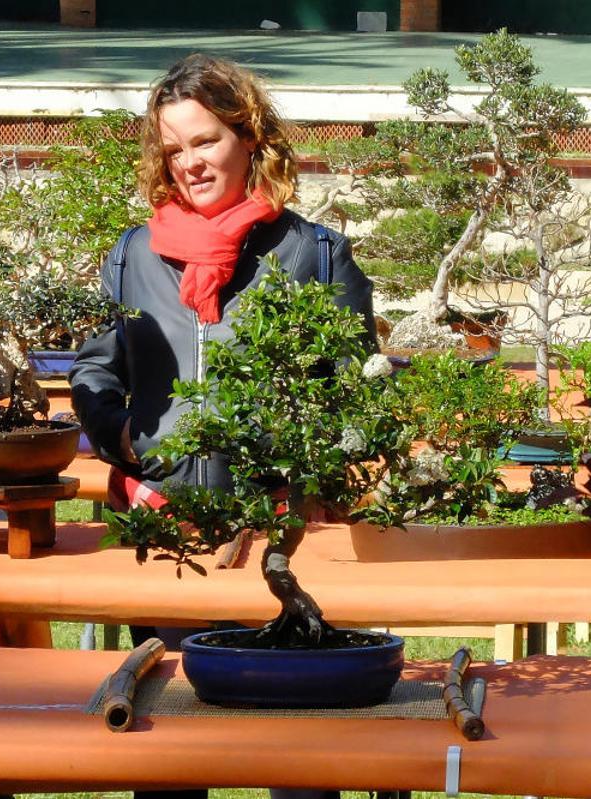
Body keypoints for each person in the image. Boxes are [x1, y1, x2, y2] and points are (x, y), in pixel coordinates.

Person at [70, 53, 377, 799]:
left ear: (249, 136)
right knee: (166, 749)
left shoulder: (316, 254)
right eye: (173, 148)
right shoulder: (134, 255)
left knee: (300, 759)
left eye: (205, 140)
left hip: (283, 542)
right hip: (169, 538)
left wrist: (313, 473)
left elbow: (357, 393)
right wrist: (123, 440)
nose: (190, 163)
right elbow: (95, 369)